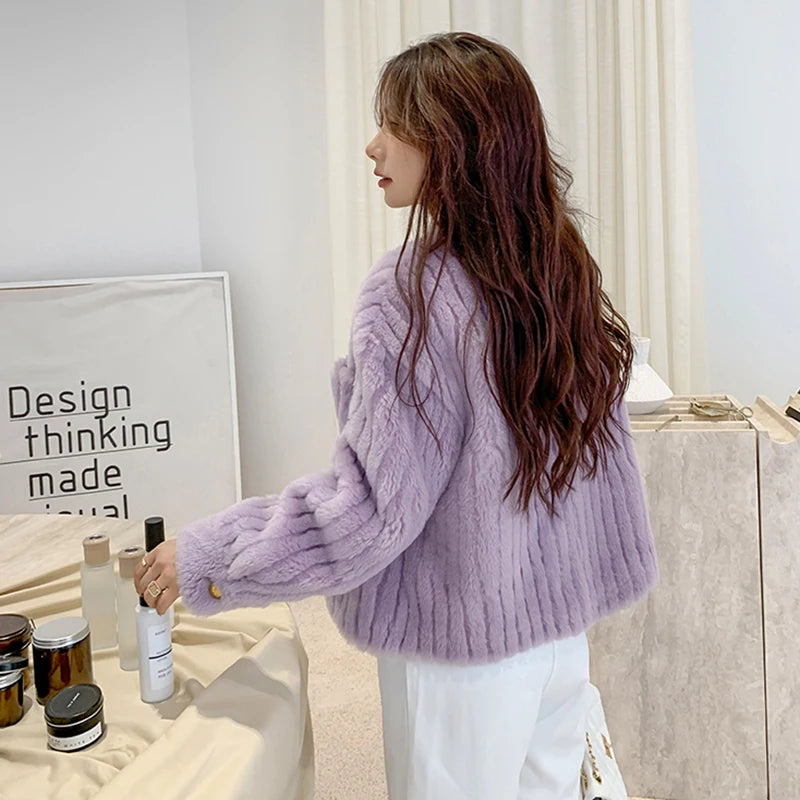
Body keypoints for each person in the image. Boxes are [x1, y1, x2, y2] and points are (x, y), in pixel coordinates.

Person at [135, 31, 658, 800]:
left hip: (460, 653)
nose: (372, 145)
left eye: (395, 124)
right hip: (556, 642)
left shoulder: (411, 297)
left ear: (452, 143)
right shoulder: (554, 267)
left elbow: (368, 512)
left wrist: (211, 556)